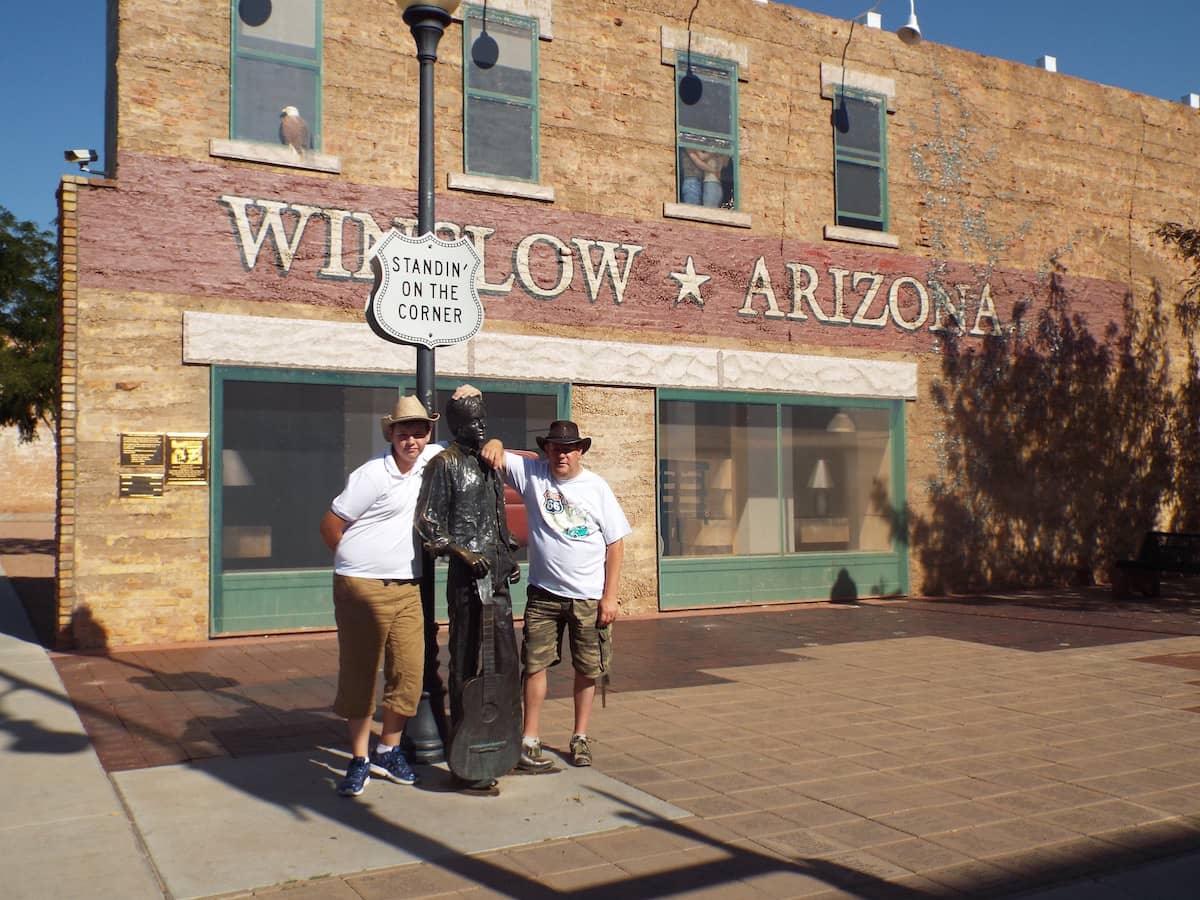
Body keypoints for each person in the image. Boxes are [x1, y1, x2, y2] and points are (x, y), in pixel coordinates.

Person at [319, 386, 477, 798]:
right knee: (359, 673)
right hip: (361, 586)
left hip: (407, 587)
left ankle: (388, 750)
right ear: (391, 434)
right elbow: (331, 525)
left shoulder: (432, 459)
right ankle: (359, 758)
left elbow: (472, 446)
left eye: (419, 433)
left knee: (408, 672)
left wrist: (486, 427)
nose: (412, 441)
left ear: (428, 434)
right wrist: (356, 562)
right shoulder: (372, 474)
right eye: (404, 433)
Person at [482, 420, 631, 770]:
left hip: (587, 597)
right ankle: (530, 737)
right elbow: (497, 454)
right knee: (535, 664)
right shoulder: (533, 475)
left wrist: (610, 597)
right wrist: (496, 440)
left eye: (568, 449)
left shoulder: (596, 487)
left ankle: (580, 736)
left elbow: (616, 544)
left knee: (587, 668)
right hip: (544, 594)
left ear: (580, 451)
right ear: (546, 450)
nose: (561, 455)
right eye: (555, 448)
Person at [415, 391, 520, 793]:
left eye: (483, 420)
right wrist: (462, 553)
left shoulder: (488, 463)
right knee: (465, 661)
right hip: (466, 581)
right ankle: (465, 754)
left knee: (506, 661)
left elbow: (496, 517)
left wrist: (506, 554)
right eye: (474, 421)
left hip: (496, 577)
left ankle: (505, 741)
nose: (481, 427)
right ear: (457, 426)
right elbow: (428, 523)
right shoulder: (444, 464)